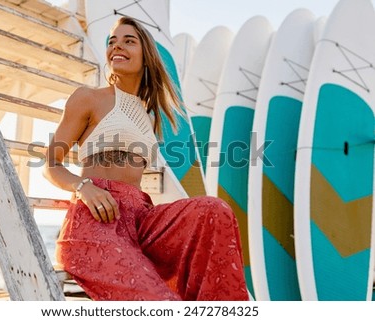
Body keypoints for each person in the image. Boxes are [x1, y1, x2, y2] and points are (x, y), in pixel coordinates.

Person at [44, 16, 249, 301]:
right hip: (95, 222)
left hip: (140, 219)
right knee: (162, 303)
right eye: (112, 41)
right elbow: (50, 165)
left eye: (129, 41)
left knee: (215, 210)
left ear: (146, 55)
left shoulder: (147, 114)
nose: (117, 46)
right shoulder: (88, 97)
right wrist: (84, 187)